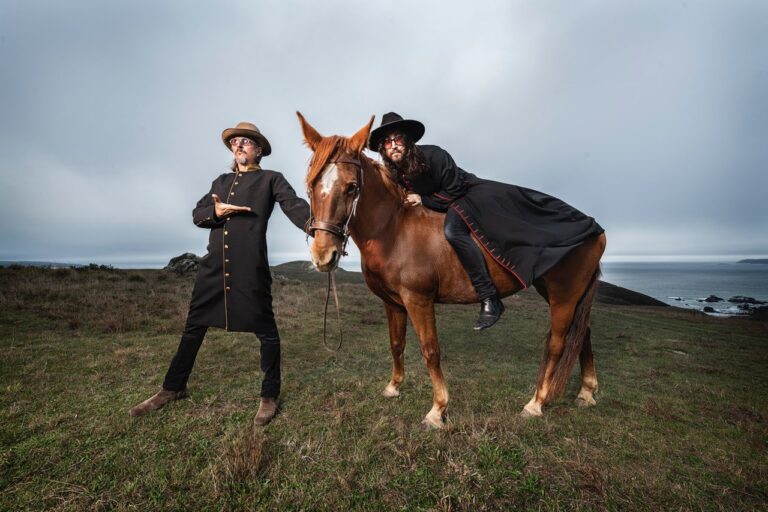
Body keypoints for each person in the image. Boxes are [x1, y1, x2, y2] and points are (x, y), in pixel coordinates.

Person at [130, 122, 310, 426]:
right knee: (194, 327)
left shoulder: (270, 179)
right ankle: (173, 388)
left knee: (266, 332)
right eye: (235, 142)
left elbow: (293, 205)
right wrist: (216, 213)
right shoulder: (221, 181)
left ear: (259, 150)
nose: (238, 146)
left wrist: (315, 226)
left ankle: (268, 396)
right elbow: (197, 215)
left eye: (246, 142)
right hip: (213, 268)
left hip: (250, 268)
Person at [369, 112, 604, 330]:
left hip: (466, 195)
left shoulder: (434, 155)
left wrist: (424, 199)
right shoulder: (395, 171)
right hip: (440, 203)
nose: (393, 146)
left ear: (408, 141)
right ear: (383, 149)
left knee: (453, 231)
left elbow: (453, 189)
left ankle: (489, 297)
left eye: (397, 139)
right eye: (388, 143)